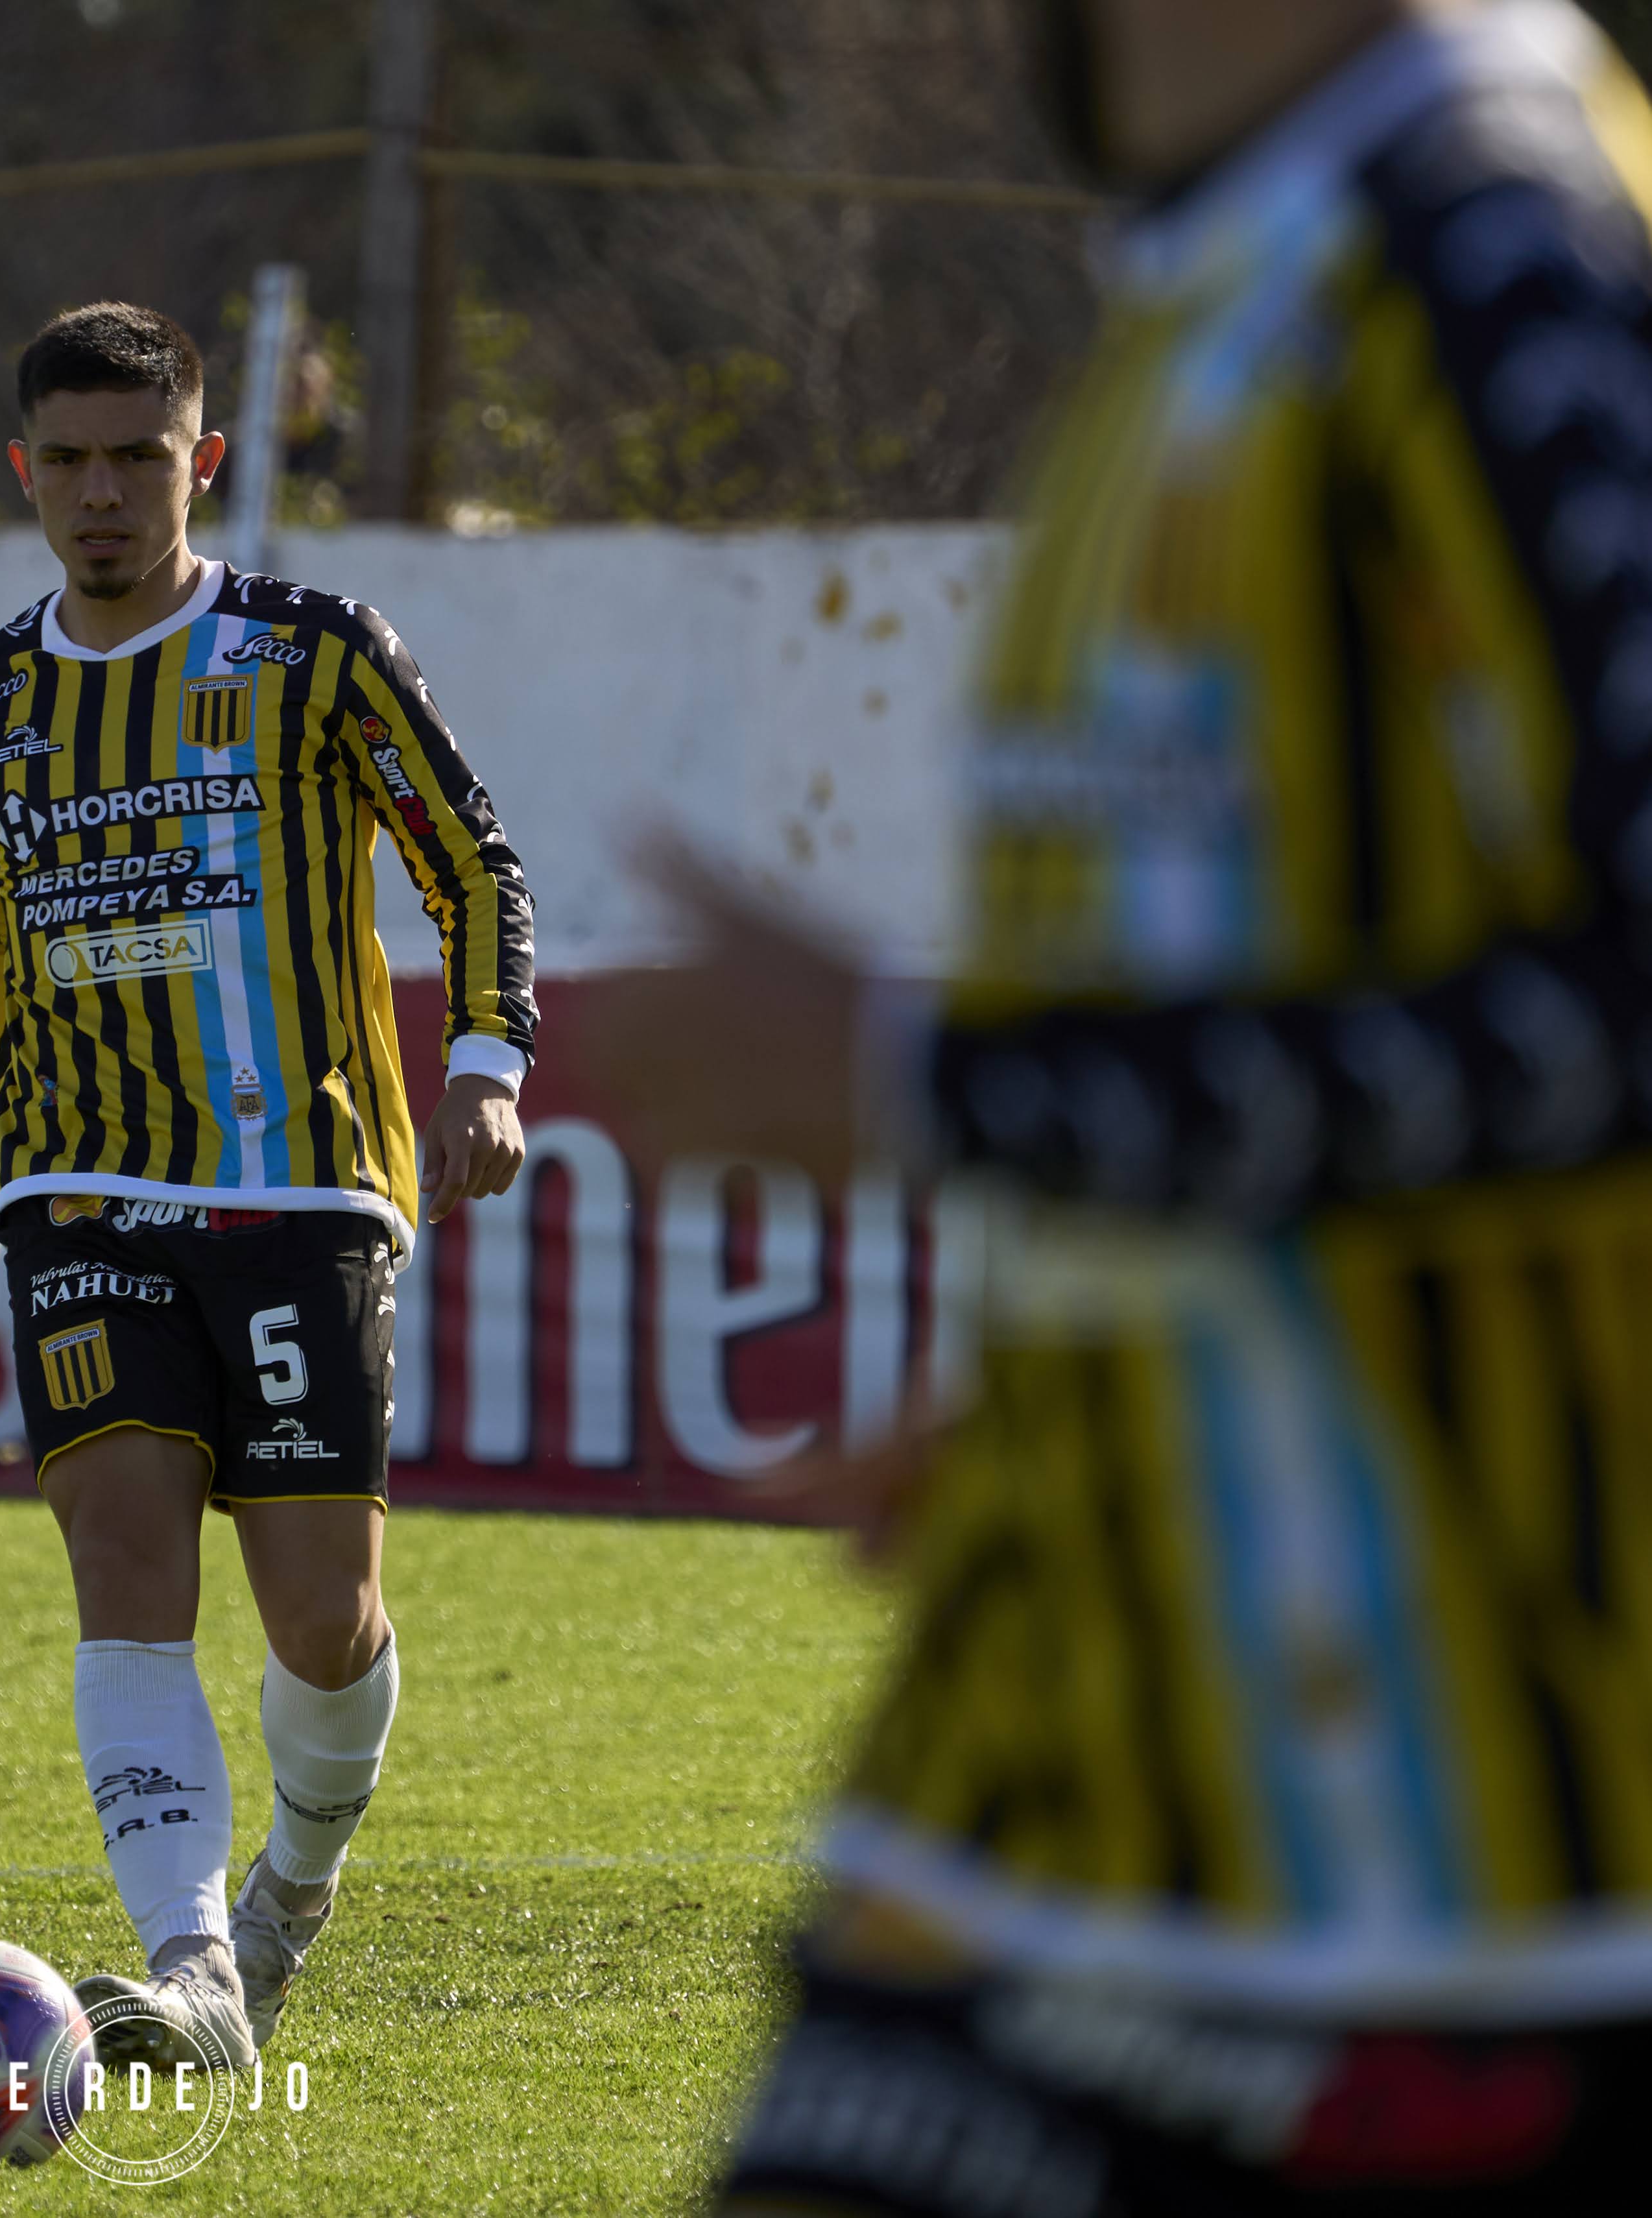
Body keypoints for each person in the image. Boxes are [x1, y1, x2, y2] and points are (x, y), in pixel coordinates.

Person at [606, 2, 1652, 2209]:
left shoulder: (1514, 261)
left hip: (1464, 1896)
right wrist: (1097, 1370)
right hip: (1065, 1766)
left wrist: (917, 1083)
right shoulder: (1228, 261)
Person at [0, 302, 537, 2070]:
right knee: (122, 1546)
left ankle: (294, 1887)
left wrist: (490, 1066)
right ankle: (192, 1957)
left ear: (200, 462)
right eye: (66, 459)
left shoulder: (316, 656)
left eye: (137, 458)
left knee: (322, 1612)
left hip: (304, 1183)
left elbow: (472, 861)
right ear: (24, 471)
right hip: (73, 1183)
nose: (101, 494)